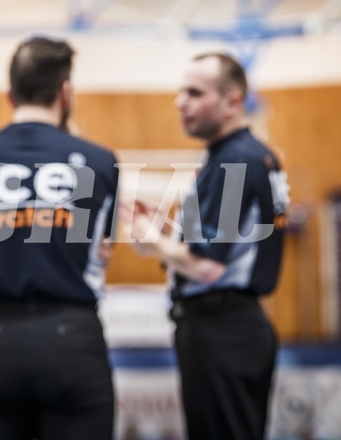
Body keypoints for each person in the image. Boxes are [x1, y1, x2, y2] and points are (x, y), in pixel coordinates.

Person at [0, 37, 118, 440]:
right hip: (73, 339)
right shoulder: (100, 161)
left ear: (9, 95)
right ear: (65, 92)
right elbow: (100, 250)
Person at [122, 52, 289, 440]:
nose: (180, 102)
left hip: (222, 328)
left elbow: (207, 265)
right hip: (233, 327)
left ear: (232, 102)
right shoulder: (246, 157)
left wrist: (151, 239)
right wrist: (161, 235)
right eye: (182, 91)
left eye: (195, 93)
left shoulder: (236, 161)